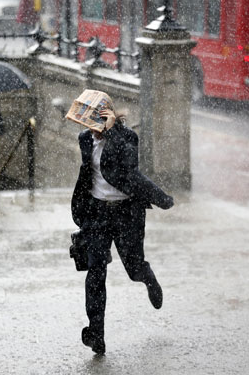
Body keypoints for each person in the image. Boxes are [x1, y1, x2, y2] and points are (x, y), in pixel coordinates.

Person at [69, 96, 174, 355]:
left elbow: (128, 167)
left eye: (97, 121)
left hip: (127, 213)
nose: (92, 128)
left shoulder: (127, 137)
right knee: (95, 273)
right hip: (98, 214)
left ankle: (148, 278)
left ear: (108, 116)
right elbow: (89, 173)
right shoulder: (85, 139)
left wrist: (111, 132)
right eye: (89, 122)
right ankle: (96, 333)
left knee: (133, 268)